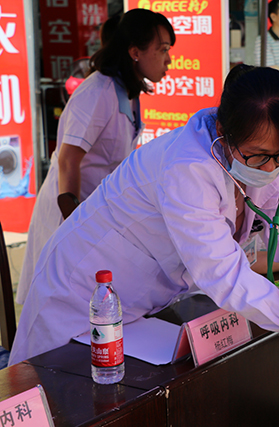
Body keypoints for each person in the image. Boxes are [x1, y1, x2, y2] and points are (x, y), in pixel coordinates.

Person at [9, 67, 279, 365]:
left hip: (141, 305)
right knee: (52, 388)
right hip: (79, 297)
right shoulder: (187, 167)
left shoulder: (255, 154)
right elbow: (224, 276)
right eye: (259, 157)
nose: (270, 170)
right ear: (223, 130)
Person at [16, 9, 175, 305]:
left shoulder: (127, 92)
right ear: (135, 52)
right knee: (58, 302)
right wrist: (74, 222)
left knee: (90, 302)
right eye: (163, 49)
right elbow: (68, 159)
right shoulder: (98, 90)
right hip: (70, 214)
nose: (169, 60)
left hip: (93, 216)